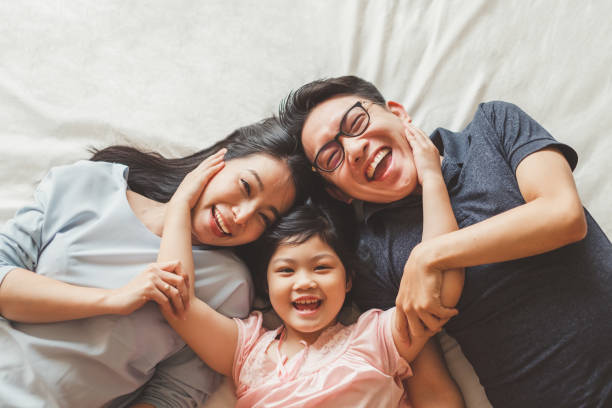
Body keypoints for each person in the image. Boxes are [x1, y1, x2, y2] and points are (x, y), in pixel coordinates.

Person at [278, 76, 612, 408]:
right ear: (338, 193)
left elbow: (563, 215)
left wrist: (428, 256)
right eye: (331, 157)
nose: (354, 150)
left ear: (398, 114)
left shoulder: (493, 125)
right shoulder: (373, 257)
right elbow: (433, 390)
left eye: (356, 122)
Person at [0, 117, 313, 407]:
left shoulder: (228, 284)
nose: (242, 216)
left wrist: (179, 209)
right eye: (245, 187)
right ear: (220, 159)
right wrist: (112, 300)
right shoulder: (89, 183)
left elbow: (173, 395)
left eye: (263, 217)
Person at [153, 135, 465, 406]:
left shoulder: (376, 339)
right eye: (286, 271)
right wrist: (180, 205)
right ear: (266, 284)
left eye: (321, 267)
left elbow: (441, 284)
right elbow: (176, 297)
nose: (305, 282)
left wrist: (431, 179)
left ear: (348, 280)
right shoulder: (247, 351)